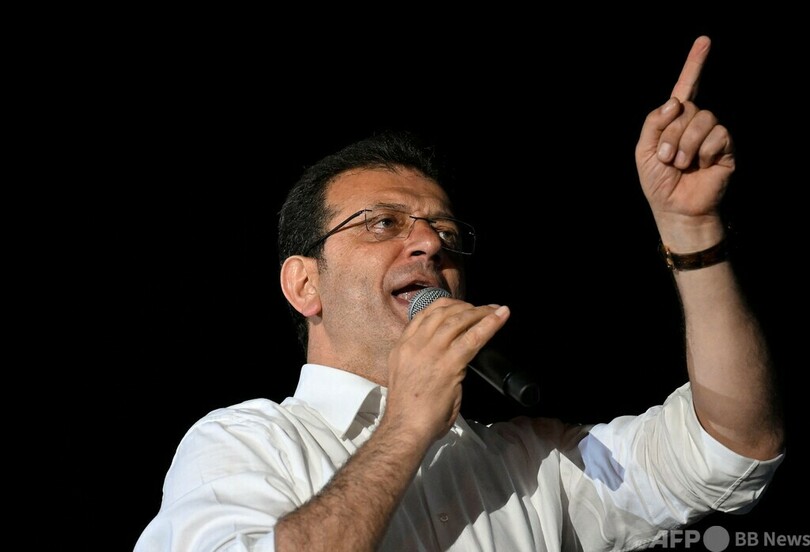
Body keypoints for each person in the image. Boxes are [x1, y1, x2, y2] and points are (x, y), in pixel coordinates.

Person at [135, 35, 785, 551]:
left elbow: (734, 445)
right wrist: (405, 426)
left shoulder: (528, 466)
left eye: (444, 232)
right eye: (383, 223)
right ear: (304, 284)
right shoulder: (243, 443)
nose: (428, 243)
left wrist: (692, 231)